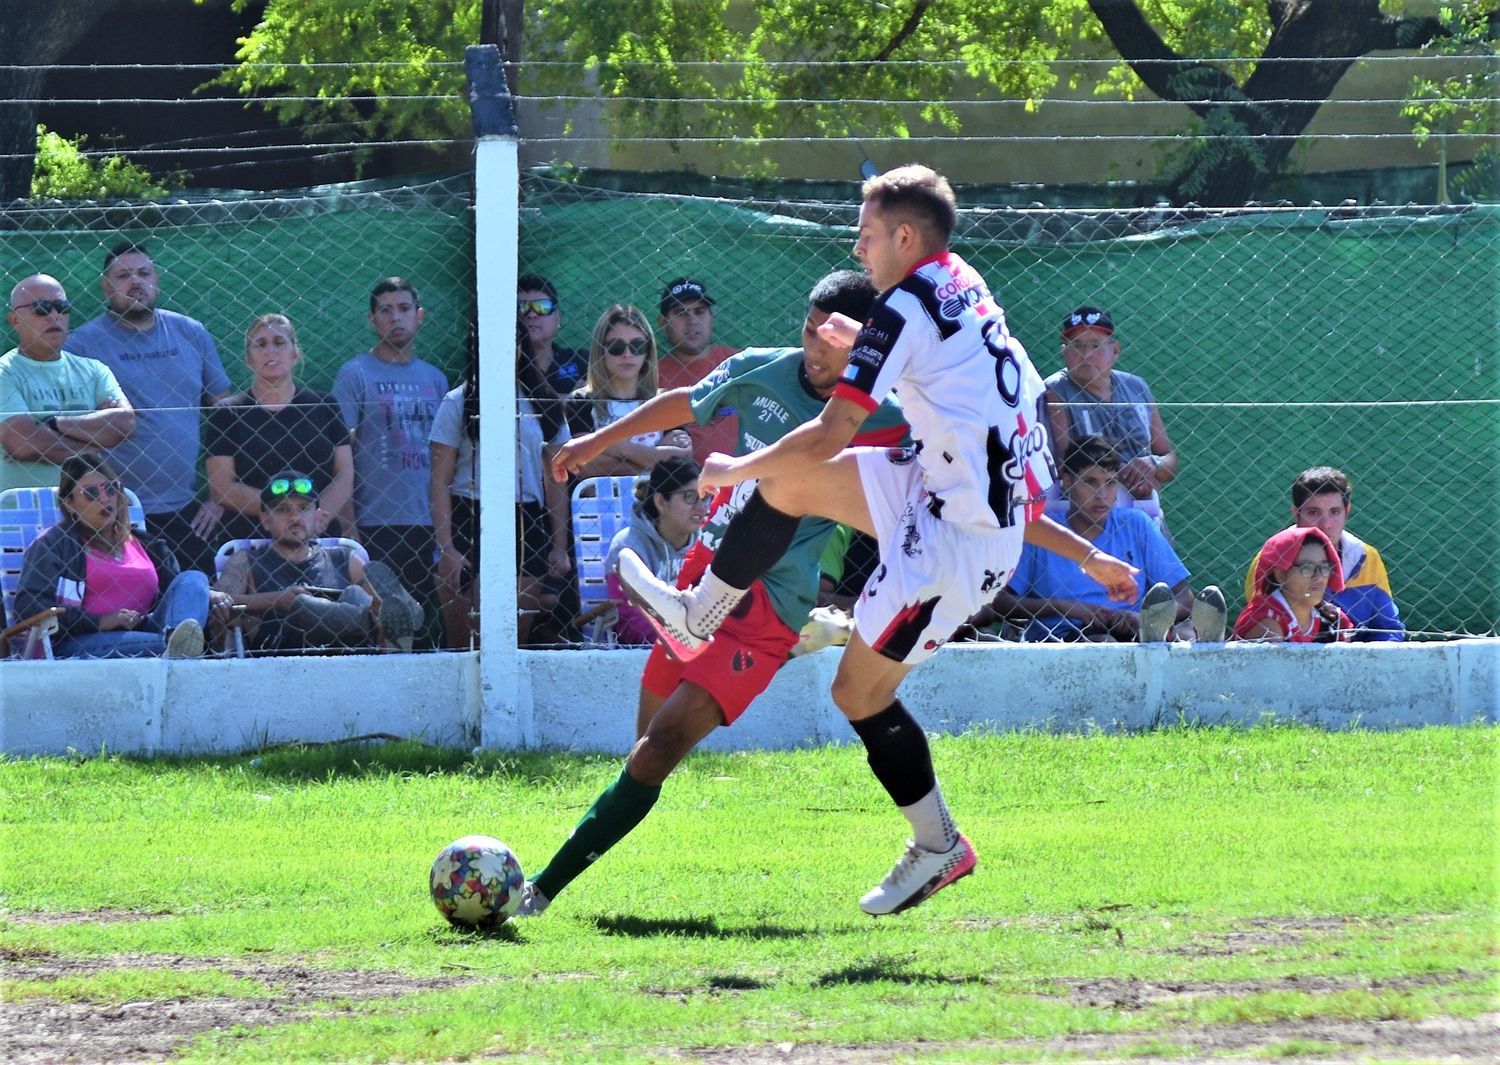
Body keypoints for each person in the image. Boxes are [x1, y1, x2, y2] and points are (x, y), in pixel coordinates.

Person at [615, 165, 1138, 916]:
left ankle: (938, 843)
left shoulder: (902, 312)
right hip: (939, 489)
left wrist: (730, 469)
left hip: (956, 546)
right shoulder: (959, 280)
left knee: (856, 690)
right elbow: (947, 385)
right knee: (787, 488)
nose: (857, 250)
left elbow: (832, 431)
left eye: (864, 236)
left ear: (903, 236)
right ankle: (703, 611)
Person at [514, 269, 906, 919]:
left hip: (763, 612)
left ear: (862, 344)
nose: (813, 348)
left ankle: (540, 889)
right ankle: (781, 632)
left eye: (830, 339)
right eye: (809, 331)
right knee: (643, 750)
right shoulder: (762, 368)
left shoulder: (881, 413)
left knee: (659, 748)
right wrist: (597, 438)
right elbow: (686, 404)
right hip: (700, 576)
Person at [68, 241, 233, 575]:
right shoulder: (82, 346)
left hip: (187, 511)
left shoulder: (191, 333)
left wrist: (220, 497)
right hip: (113, 512)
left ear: (156, 279)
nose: (135, 282)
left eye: (144, 273)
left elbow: (228, 417)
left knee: (199, 601)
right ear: (105, 286)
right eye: (123, 275)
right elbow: (71, 431)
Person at [970, 436, 1223, 643]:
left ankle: (1173, 637)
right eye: (1090, 482)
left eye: (1110, 483)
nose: (1101, 495)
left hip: (1136, 630)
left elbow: (1184, 600)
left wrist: (1141, 619)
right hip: (1062, 635)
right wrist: (1066, 607)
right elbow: (1000, 602)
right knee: (1104, 642)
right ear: (1067, 482)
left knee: (1184, 633)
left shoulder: (1136, 524)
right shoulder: (1044, 532)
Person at [428, 324, 571, 649]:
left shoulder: (544, 402)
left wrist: (559, 544)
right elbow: (439, 481)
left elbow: (556, 478)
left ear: (522, 347)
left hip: (527, 520)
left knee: (510, 642)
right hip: (469, 515)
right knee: (463, 644)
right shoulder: (457, 402)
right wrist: (446, 548)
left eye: (511, 343)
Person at [15, 452, 230, 658]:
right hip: (79, 641)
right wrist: (100, 621)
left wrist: (205, 593)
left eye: (111, 488)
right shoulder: (53, 545)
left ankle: (176, 644)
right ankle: (177, 649)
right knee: (165, 642)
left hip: (147, 630)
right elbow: (29, 607)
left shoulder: (148, 545)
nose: (105, 498)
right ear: (69, 503)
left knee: (194, 578)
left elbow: (177, 593)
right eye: (90, 493)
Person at [332, 277, 448, 621]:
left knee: (419, 620)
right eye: (385, 310)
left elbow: (446, 459)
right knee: (378, 619)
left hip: (427, 523)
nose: (395, 317)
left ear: (420, 316)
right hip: (372, 522)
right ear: (372, 320)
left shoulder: (436, 379)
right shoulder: (354, 374)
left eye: (404, 309)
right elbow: (341, 455)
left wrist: (446, 532)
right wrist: (348, 524)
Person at [214, 471, 416, 654]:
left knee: (357, 594)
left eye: (304, 508)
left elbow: (384, 609)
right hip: (283, 653)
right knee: (301, 605)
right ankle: (373, 626)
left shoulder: (343, 558)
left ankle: (395, 618)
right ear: (265, 519)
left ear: (318, 516)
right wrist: (276, 600)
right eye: (282, 509)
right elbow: (218, 603)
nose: (294, 517)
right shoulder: (246, 559)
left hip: (350, 655)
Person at [205, 314, 353, 543]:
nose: (270, 350)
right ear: (248, 359)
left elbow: (344, 473)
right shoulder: (227, 413)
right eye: (260, 344)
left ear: (296, 353)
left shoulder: (325, 406)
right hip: (251, 543)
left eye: (279, 342)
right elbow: (222, 487)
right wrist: (288, 517)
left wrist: (314, 519)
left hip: (318, 539)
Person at [1044, 306, 1178, 530]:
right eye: (1076, 345)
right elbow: (1062, 466)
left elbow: (1169, 457)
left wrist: (1153, 465)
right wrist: (1129, 476)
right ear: (1064, 351)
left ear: (1114, 350)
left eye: (1096, 345)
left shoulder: (1137, 387)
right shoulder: (1055, 392)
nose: (1086, 354)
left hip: (1146, 516)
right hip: (1084, 521)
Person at [1, 275, 135, 493]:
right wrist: (95, 447)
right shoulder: (5, 373)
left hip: (87, 511)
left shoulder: (94, 370)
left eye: (61, 307)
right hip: (24, 511)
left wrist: (53, 424)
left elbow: (125, 423)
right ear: (15, 320)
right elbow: (24, 443)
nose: (54, 315)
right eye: (41, 308)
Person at [1241, 466, 1402, 641]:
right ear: (1296, 514)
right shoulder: (1270, 559)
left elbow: (1389, 627)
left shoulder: (1367, 557)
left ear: (1346, 512)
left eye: (1335, 512)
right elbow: (1260, 620)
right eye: (1313, 512)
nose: (1325, 524)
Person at [561, 304, 693, 479]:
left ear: (647, 351)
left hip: (656, 504)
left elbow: (681, 464)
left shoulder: (664, 400)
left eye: (637, 346)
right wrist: (655, 456)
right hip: (599, 503)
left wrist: (612, 445)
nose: (627, 354)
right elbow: (584, 468)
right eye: (616, 347)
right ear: (601, 351)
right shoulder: (581, 400)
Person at [603, 456, 710, 646]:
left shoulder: (708, 543)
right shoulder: (628, 546)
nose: (702, 508)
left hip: (699, 641)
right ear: (661, 502)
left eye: (705, 496)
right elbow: (630, 620)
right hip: (649, 647)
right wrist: (679, 639)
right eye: (690, 497)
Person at [656, 277, 740, 464]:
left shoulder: (740, 363)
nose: (692, 321)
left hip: (747, 476)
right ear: (663, 322)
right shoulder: (650, 377)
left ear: (712, 319)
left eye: (699, 312)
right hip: (682, 484)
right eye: (681, 313)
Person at [1233, 526, 1352, 643]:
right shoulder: (1268, 625)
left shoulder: (1334, 620)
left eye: (1324, 568)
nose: (1319, 577)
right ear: (1281, 575)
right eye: (1307, 568)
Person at [517, 273, 588, 397]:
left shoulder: (580, 361)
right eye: (523, 307)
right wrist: (570, 400)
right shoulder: (505, 369)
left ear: (557, 318)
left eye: (543, 306)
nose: (532, 315)